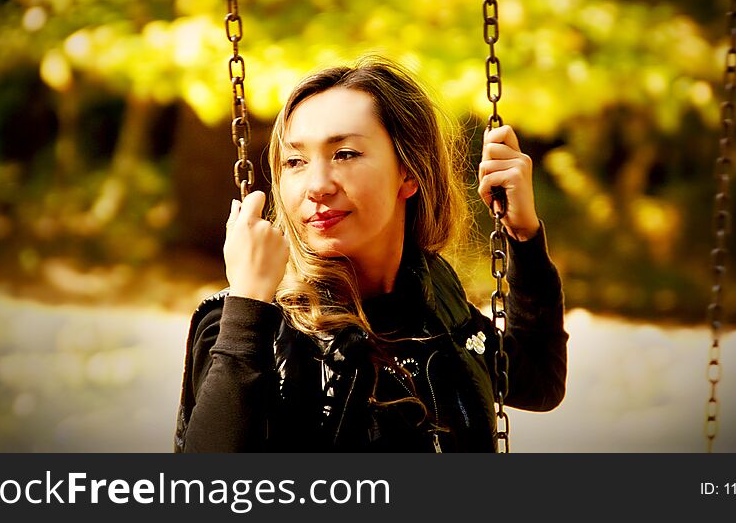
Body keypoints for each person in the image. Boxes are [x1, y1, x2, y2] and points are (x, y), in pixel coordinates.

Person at [174, 57, 568, 452]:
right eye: (295, 161)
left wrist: (523, 236)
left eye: (344, 154)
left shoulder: (432, 291)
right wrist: (247, 306)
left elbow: (539, 383)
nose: (317, 185)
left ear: (410, 172)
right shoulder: (250, 322)